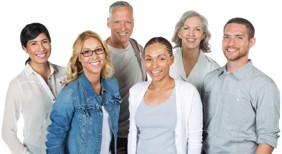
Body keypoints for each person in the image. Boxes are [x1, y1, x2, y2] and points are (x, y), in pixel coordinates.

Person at [202, 17, 280, 154]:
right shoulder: (209, 79)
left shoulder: (264, 85)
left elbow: (268, 138)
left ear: (251, 42)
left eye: (239, 37)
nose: (231, 43)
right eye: (226, 37)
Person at [45, 30, 121, 154]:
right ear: (79, 58)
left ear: (104, 53)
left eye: (98, 50)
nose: (95, 56)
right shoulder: (70, 94)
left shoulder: (112, 84)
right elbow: (54, 138)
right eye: (86, 52)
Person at [128, 37, 203, 154]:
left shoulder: (188, 93)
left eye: (161, 59)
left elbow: (195, 141)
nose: (154, 65)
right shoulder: (135, 92)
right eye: (149, 59)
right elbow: (133, 136)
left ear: (171, 60)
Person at [1, 22, 67, 154]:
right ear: (24, 48)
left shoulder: (67, 73)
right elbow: (7, 131)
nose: (41, 48)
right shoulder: (18, 84)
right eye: (33, 43)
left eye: (44, 41)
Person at [105, 1, 147, 153]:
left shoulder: (139, 50)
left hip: (141, 133)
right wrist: (107, 145)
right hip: (115, 138)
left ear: (133, 24)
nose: (123, 28)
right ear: (108, 23)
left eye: (127, 22)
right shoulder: (99, 56)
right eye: (117, 22)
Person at [170, 10, 219, 94]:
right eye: (186, 28)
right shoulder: (166, 63)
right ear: (179, 33)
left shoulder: (214, 68)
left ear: (203, 35)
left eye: (197, 29)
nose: (191, 34)